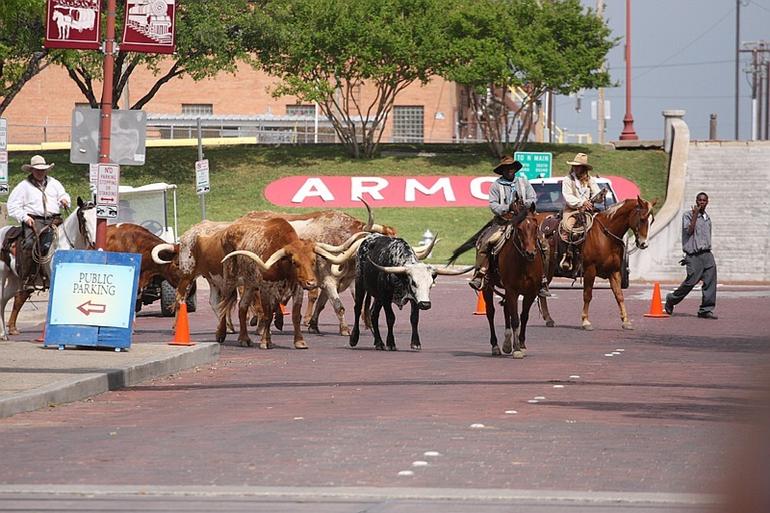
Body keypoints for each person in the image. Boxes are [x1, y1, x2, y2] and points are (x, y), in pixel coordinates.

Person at [468, 155, 550, 297]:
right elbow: (493, 205)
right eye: (507, 168)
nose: (510, 170)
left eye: (512, 168)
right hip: (503, 221)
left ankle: (542, 278)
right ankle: (480, 274)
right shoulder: (496, 185)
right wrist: (507, 207)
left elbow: (533, 197)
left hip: (523, 220)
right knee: (485, 242)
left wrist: (525, 205)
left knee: (544, 244)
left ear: (515, 169)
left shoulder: (523, 182)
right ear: (502, 171)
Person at [7, 155, 71, 291]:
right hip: (35, 220)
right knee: (30, 244)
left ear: (46, 171)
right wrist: (25, 217)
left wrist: (65, 200)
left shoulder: (54, 183)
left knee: (68, 237)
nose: (40, 173)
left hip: (54, 219)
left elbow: (63, 194)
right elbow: (12, 206)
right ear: (32, 170)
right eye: (37, 170)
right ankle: (29, 276)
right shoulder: (23, 186)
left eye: (42, 170)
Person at [664, 192, 717, 319]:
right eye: (699, 200)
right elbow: (689, 231)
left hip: (707, 254)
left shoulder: (707, 217)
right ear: (696, 201)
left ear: (707, 202)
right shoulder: (687, 215)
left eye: (704, 200)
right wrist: (694, 216)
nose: (701, 202)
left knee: (710, 282)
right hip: (694, 255)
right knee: (690, 282)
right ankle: (671, 299)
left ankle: (706, 310)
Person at [559, 152, 605, 272]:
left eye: (579, 166)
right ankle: (567, 255)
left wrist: (600, 196)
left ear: (583, 168)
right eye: (575, 166)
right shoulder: (567, 180)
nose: (576, 168)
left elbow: (596, 193)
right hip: (572, 210)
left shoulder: (590, 180)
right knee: (568, 227)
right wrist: (581, 203)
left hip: (589, 211)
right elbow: (567, 196)